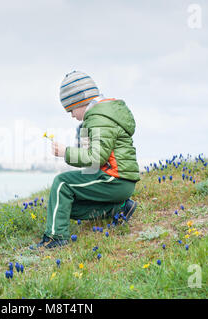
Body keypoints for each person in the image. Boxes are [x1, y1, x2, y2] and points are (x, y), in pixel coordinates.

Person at [37, 70, 141, 249]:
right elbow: (97, 158)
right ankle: (119, 209)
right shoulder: (103, 115)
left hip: (114, 179)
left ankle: (55, 238)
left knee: (62, 183)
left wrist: (66, 152)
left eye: (71, 109)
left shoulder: (99, 118)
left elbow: (96, 158)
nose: (71, 115)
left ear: (80, 101)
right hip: (121, 181)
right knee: (66, 205)